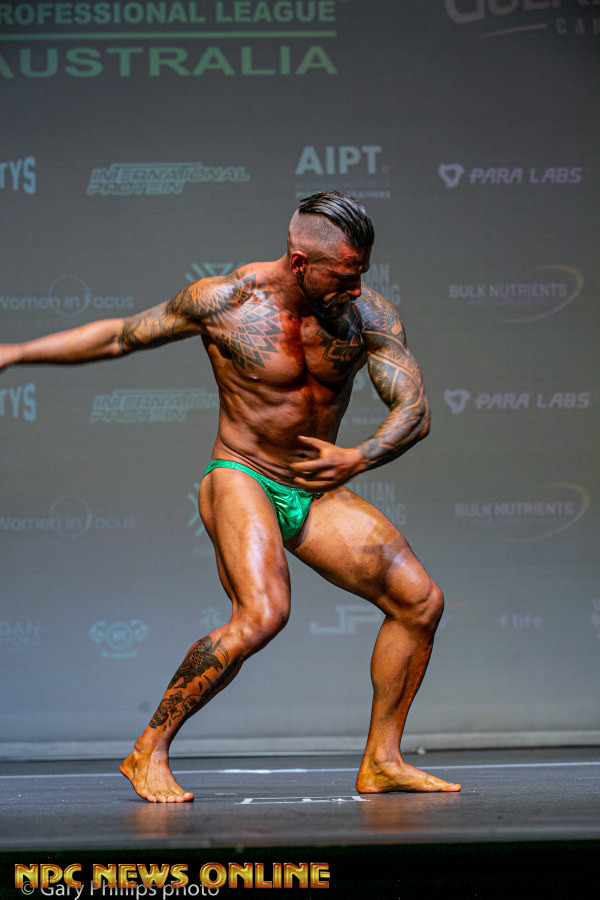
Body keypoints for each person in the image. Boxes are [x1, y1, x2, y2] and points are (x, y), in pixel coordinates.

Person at [0, 192, 460, 801]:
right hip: (240, 474)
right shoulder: (225, 302)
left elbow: (414, 409)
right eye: (344, 275)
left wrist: (360, 455)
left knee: (419, 601)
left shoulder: (367, 316)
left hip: (313, 487)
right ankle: (148, 751)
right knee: (263, 614)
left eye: (362, 274)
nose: (355, 288)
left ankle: (382, 759)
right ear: (301, 262)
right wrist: (14, 353)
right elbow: (119, 337)